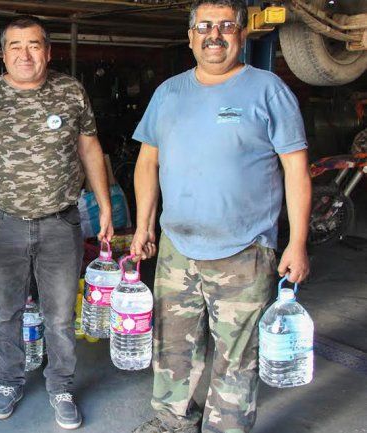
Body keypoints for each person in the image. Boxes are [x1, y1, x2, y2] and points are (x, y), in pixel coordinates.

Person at [129, 1, 311, 432]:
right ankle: (173, 421)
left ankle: (224, 428)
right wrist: (143, 226)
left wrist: (297, 242)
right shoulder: (169, 93)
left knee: (236, 355)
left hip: (244, 249)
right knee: (173, 345)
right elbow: (146, 164)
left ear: (241, 34)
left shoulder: (268, 89)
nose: (215, 34)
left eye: (226, 26)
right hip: (177, 246)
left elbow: (296, 169)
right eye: (204, 26)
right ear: (191, 36)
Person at [0, 15, 113, 431]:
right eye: (16, 46)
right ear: (3, 53)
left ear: (48, 51)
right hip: (2, 224)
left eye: (34, 45)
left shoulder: (71, 92)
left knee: (58, 316)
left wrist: (104, 205)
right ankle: (10, 381)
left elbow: (90, 149)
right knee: (7, 311)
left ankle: (61, 387)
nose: (25, 54)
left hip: (59, 223)